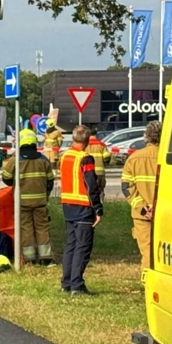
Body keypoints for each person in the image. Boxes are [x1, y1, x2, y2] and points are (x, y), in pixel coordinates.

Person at [60, 126, 103, 296]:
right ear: (87, 140)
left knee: (71, 245)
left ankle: (66, 282)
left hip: (67, 205)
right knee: (82, 247)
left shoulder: (65, 156)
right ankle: (77, 285)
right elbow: (91, 185)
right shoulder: (85, 159)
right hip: (83, 207)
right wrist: (98, 209)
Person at [2, 129, 55, 266]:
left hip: (22, 202)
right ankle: (46, 258)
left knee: (26, 229)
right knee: (42, 228)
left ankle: (29, 259)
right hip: (41, 201)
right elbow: (50, 181)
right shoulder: (43, 159)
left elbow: (6, 178)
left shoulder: (16, 159)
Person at [122, 121, 161, 271]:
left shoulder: (134, 158)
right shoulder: (169, 158)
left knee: (148, 252)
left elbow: (127, 188)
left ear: (146, 136)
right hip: (166, 214)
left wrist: (144, 209)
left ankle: (148, 285)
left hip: (143, 216)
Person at [84, 130, 111, 199]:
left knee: (88, 189)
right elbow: (107, 156)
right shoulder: (101, 144)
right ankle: (100, 203)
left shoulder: (84, 144)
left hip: (87, 171)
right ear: (96, 135)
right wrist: (105, 162)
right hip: (99, 172)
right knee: (100, 189)